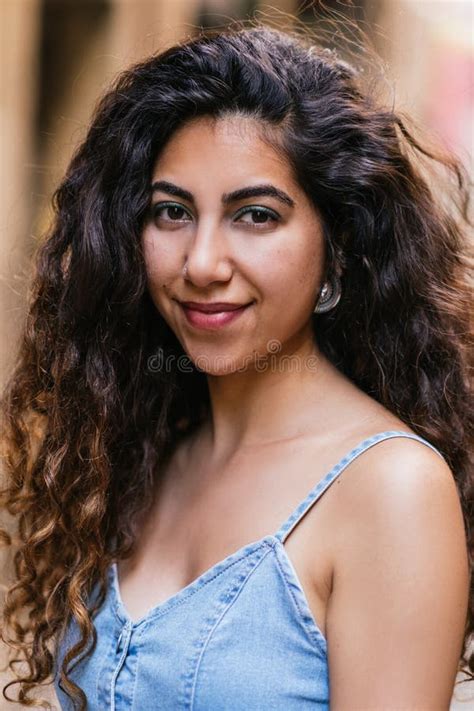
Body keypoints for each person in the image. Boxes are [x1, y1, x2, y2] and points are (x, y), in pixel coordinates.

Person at [0, 21, 472, 711]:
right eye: (172, 212)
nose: (202, 264)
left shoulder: (390, 490)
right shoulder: (143, 454)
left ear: (336, 246)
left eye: (255, 215)